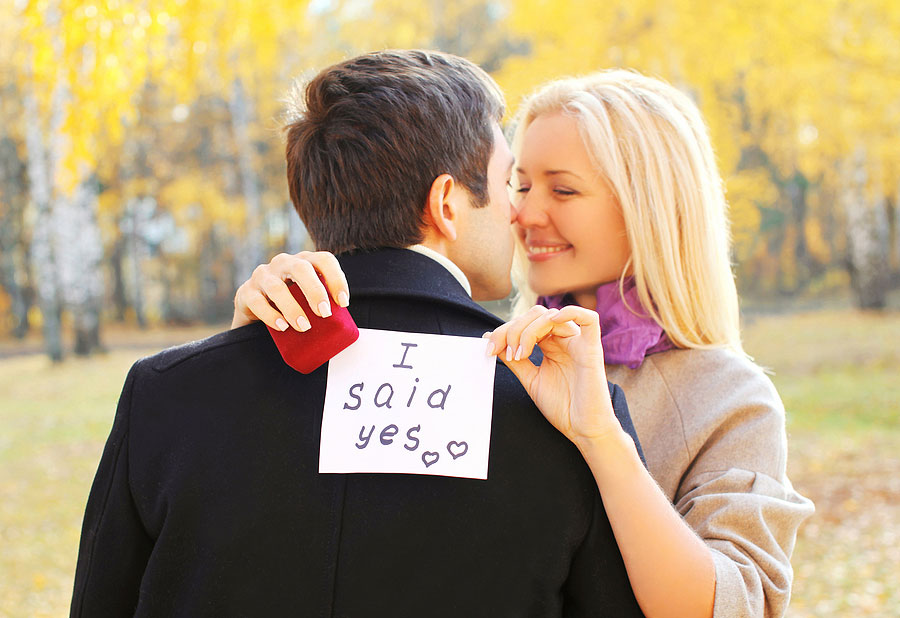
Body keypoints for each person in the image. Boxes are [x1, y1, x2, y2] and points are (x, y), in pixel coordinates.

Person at [70, 50, 646, 617]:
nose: (518, 213)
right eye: (506, 184)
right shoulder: (573, 413)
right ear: (446, 203)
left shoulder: (165, 392)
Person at [235, 69, 815, 618]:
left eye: (562, 191)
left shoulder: (728, 396)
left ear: (650, 210)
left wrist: (603, 439)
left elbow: (735, 605)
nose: (522, 212)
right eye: (519, 184)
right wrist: (250, 344)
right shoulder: (478, 353)